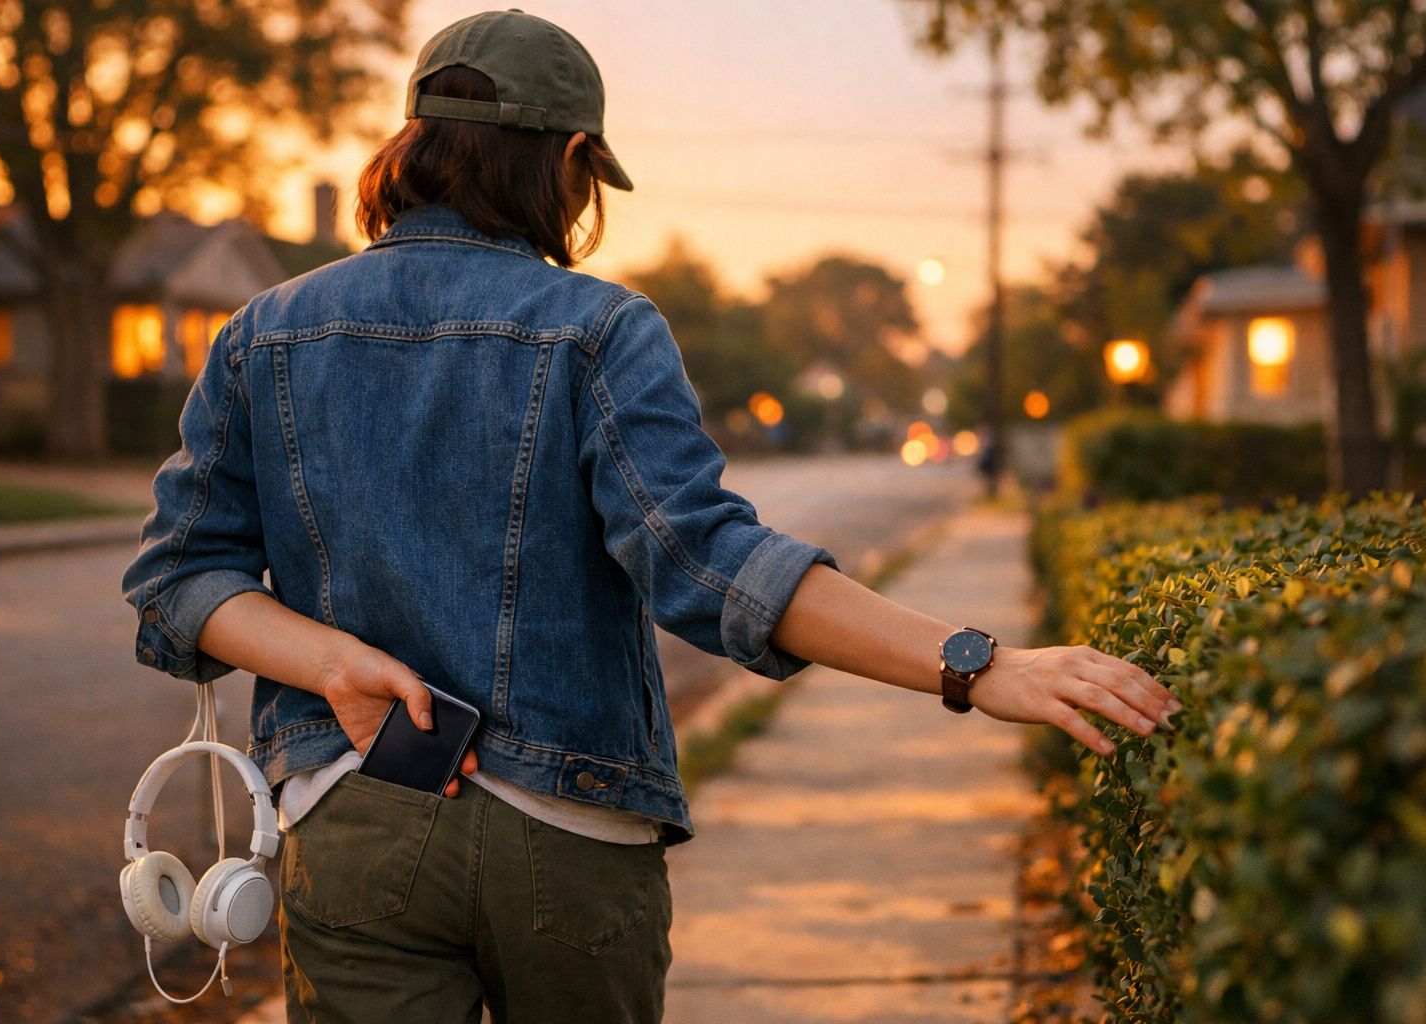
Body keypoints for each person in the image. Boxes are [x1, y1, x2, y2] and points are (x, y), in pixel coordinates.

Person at [121, 10, 1176, 1023]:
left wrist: (331, 666)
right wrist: (979, 665)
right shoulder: (602, 329)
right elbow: (708, 563)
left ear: (417, 144)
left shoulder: (266, 331)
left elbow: (178, 578)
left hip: (352, 820)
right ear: (570, 159)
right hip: (567, 829)